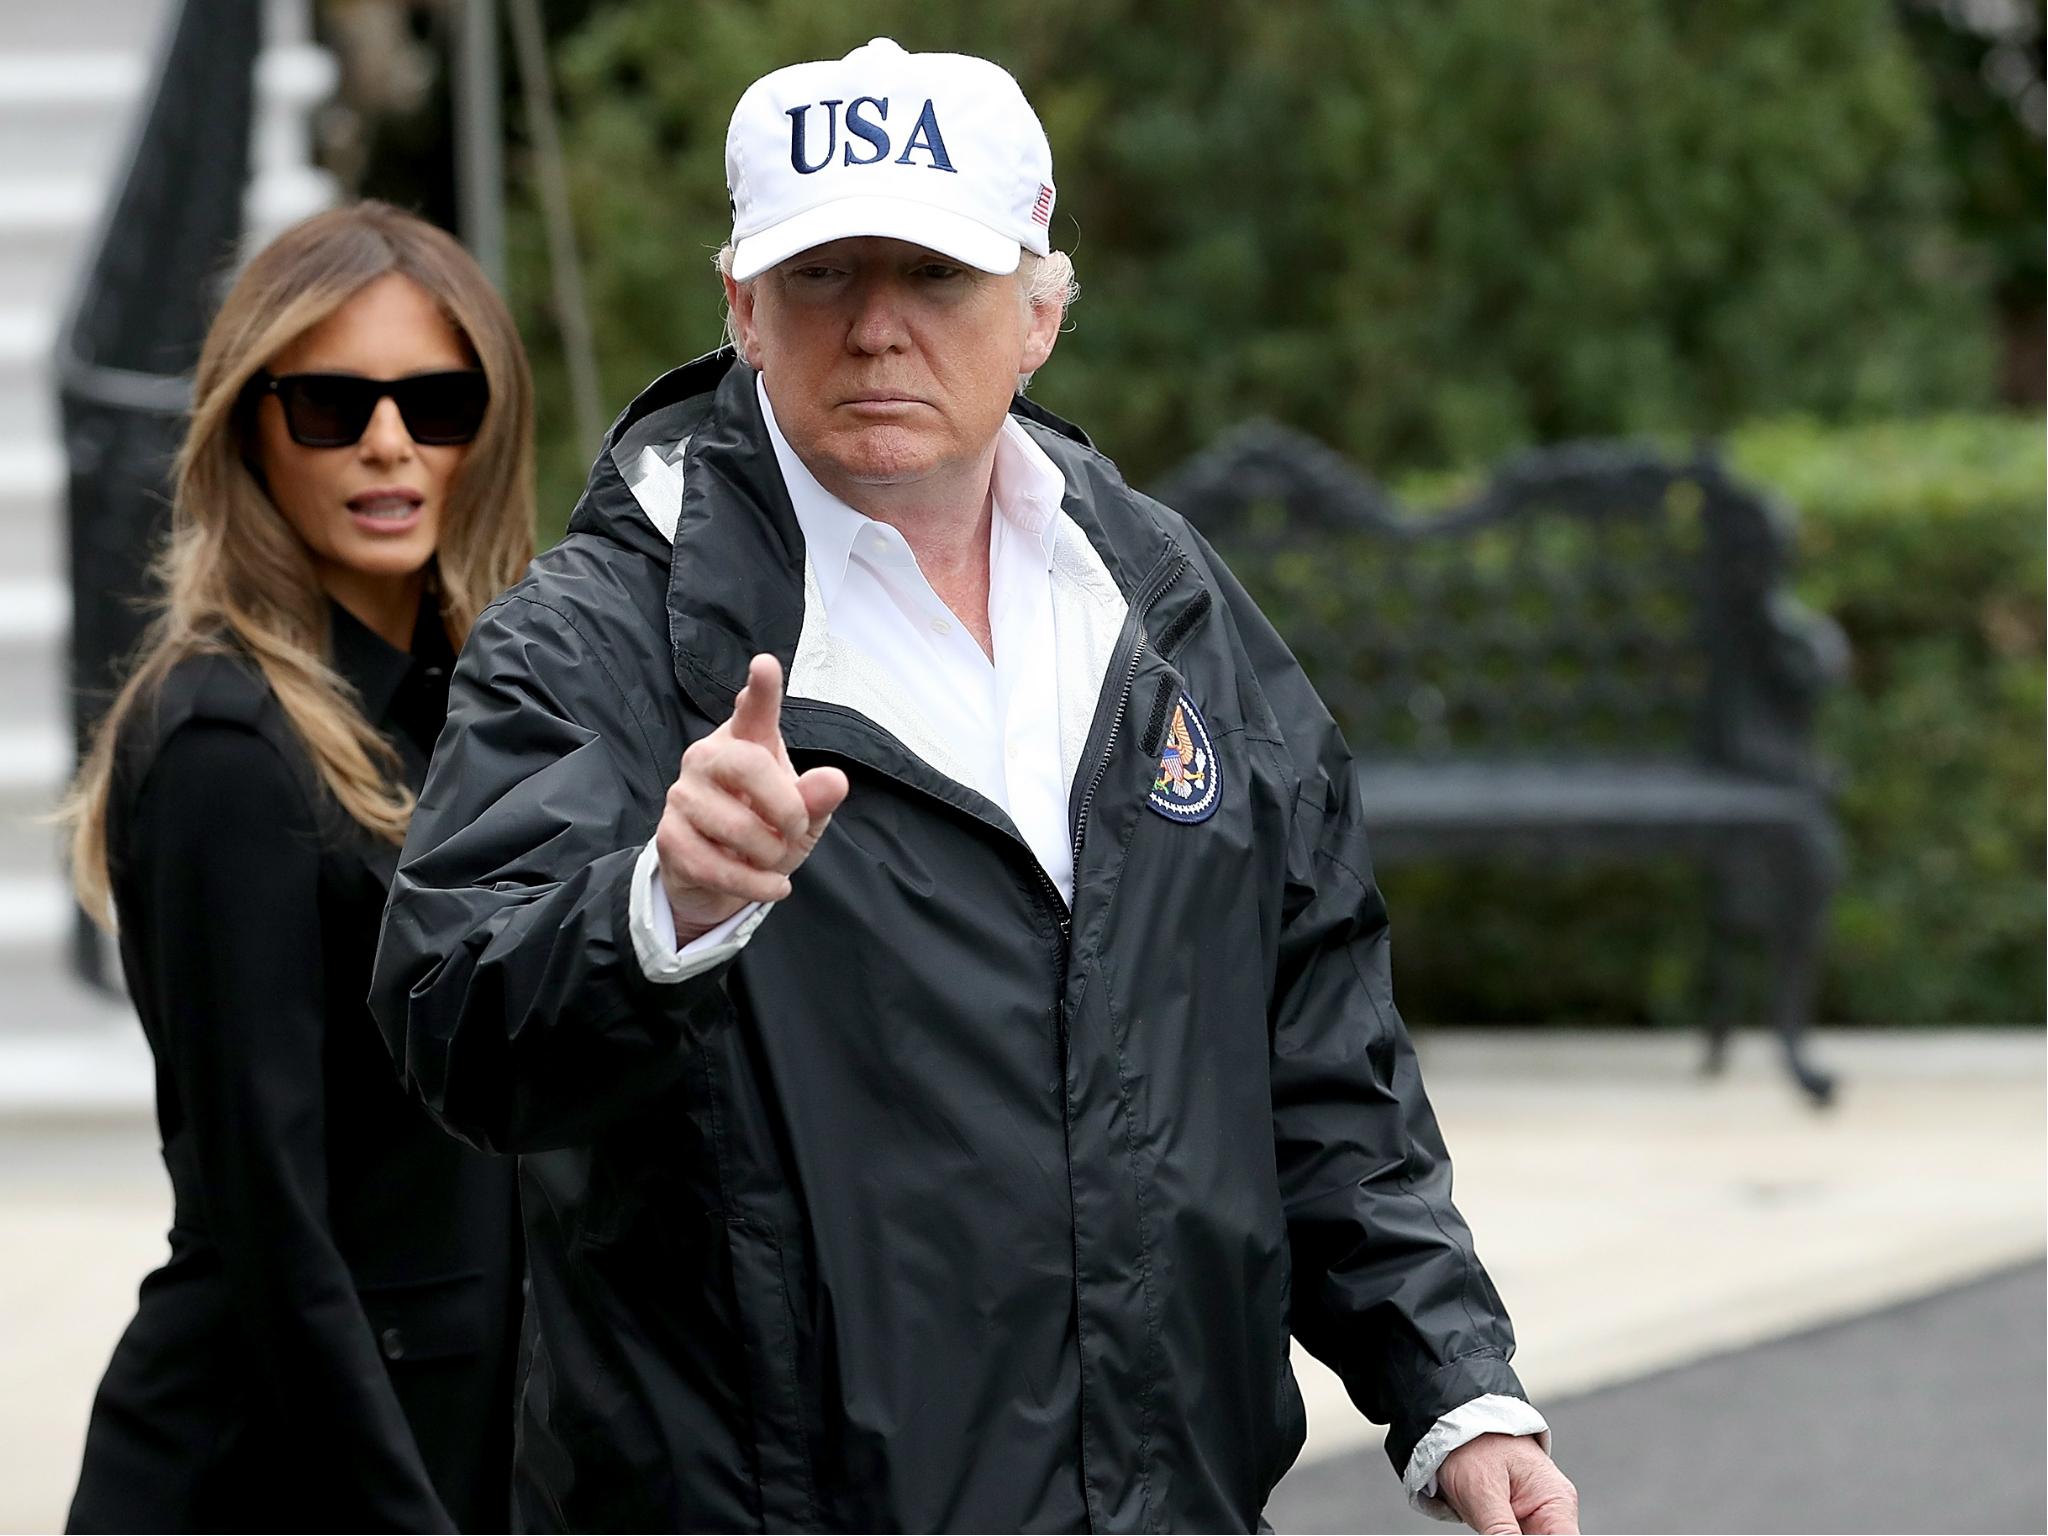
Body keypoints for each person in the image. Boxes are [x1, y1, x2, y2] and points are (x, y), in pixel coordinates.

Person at [372, 38, 1579, 1535]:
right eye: (823, 276)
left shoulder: (1163, 599)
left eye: (935, 275)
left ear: (1040, 313)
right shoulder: (596, 636)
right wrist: (654, 913)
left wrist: (1450, 1380)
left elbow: (1313, 1021)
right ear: (742, 307)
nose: (878, 329)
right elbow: (453, 1019)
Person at [62, 201, 534, 1533]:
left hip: (446, 1435)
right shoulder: (226, 743)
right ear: (252, 427)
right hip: (277, 1467)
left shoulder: (476, 709)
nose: (389, 442)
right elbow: (273, 1221)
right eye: (332, 403)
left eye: (435, 401)